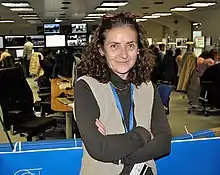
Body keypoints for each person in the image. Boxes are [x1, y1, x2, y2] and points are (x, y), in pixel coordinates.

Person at [74, 13, 171, 175]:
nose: (124, 54)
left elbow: (164, 143)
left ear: (138, 49)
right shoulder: (86, 86)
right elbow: (99, 148)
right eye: (114, 46)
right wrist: (143, 134)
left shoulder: (147, 87)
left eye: (130, 45)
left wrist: (119, 155)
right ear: (101, 50)